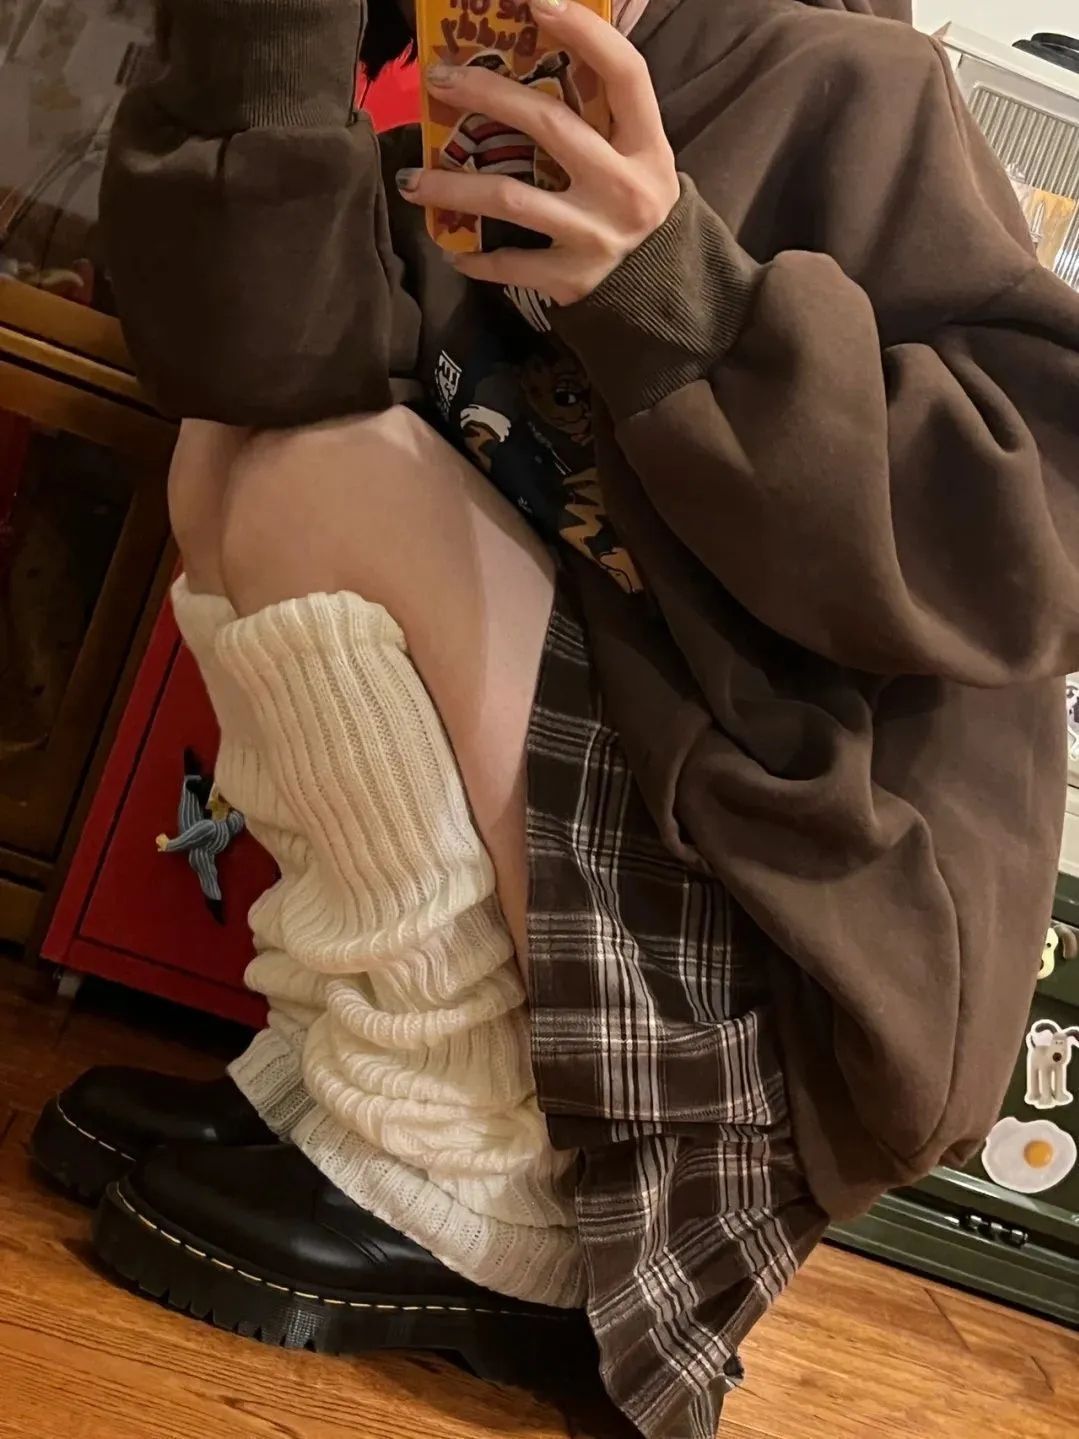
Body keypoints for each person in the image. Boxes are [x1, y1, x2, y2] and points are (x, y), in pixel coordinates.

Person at [30, 1, 1079, 1436]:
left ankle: (489, 1184)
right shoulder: (473, 84)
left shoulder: (853, 82)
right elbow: (253, 368)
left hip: (797, 916)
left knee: (328, 481)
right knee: (237, 456)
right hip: (637, 799)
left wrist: (674, 287)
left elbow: (1034, 542)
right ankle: (366, 1086)